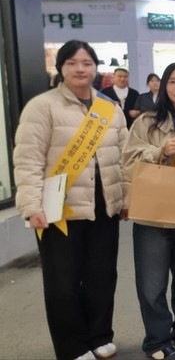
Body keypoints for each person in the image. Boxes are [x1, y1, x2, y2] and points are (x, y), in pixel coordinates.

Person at [13, 40, 128, 360]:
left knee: (101, 277)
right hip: (58, 209)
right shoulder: (42, 106)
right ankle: (72, 346)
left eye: (87, 63)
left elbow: (124, 157)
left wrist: (126, 198)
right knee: (62, 282)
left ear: (96, 68)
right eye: (72, 63)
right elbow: (27, 160)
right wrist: (31, 206)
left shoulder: (109, 108)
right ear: (61, 67)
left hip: (104, 206)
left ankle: (100, 336)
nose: (80, 69)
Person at [122, 62, 175, 360]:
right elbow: (128, 158)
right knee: (152, 281)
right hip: (153, 212)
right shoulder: (147, 121)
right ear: (163, 86)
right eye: (173, 81)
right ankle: (156, 340)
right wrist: (158, 151)